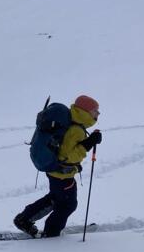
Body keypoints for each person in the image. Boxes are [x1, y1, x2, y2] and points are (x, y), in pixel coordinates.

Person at [15, 95, 103, 238]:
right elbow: (66, 156)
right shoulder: (76, 129)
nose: (98, 114)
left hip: (55, 171)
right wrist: (88, 144)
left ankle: (24, 219)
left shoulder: (73, 122)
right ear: (86, 111)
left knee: (55, 198)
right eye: (95, 111)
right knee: (67, 205)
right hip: (62, 175)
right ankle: (51, 232)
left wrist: (86, 144)